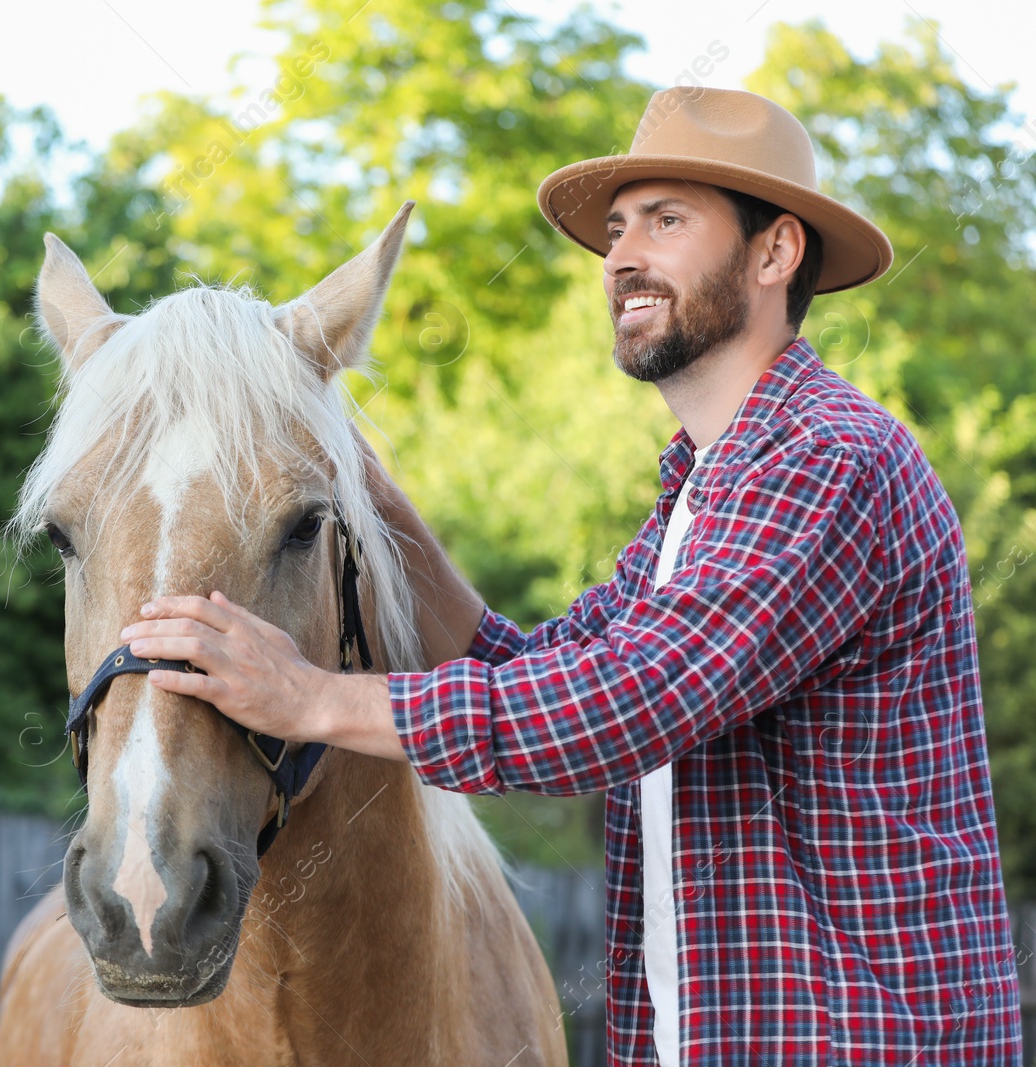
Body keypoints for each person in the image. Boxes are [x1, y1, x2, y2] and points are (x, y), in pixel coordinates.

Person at [119, 86, 1022, 1064]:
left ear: (774, 253)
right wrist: (336, 463)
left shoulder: (823, 459)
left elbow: (623, 703)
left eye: (667, 220)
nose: (622, 256)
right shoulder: (702, 492)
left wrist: (312, 698)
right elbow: (533, 661)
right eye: (617, 228)